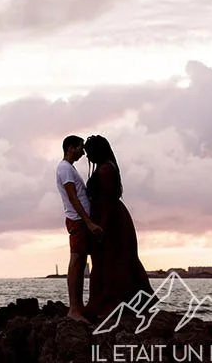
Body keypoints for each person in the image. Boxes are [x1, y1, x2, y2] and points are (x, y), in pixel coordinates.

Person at [82, 134, 152, 321]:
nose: (87, 156)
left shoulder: (105, 170)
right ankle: (122, 302)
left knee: (111, 262)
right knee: (116, 261)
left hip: (112, 222)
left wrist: (100, 227)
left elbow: (108, 201)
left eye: (89, 152)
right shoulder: (107, 167)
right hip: (112, 219)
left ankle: (109, 304)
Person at [57, 135, 103, 325]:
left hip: (80, 221)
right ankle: (74, 310)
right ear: (70, 147)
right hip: (78, 221)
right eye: (80, 148)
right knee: (76, 263)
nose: (83, 152)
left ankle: (78, 307)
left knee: (81, 262)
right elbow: (73, 197)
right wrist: (88, 222)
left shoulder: (69, 168)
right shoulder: (65, 168)